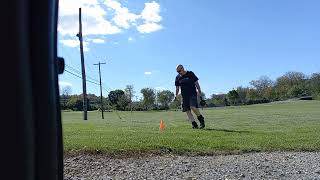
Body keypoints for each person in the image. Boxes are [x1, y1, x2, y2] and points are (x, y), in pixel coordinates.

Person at [175, 64, 205, 129]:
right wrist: (176, 95)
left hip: (192, 94)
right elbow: (177, 88)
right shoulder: (177, 77)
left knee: (193, 107)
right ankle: (194, 124)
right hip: (184, 96)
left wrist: (200, 94)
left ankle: (201, 119)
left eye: (179, 71)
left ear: (183, 68)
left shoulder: (190, 74)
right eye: (177, 71)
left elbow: (197, 84)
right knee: (187, 110)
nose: (178, 72)